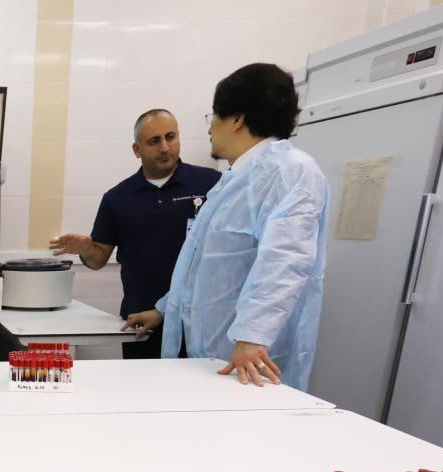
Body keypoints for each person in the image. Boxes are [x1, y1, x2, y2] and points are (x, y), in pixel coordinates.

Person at [122, 63, 329, 389]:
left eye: (213, 116)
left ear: (237, 119)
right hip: (216, 356)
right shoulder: (233, 181)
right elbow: (204, 267)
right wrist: (164, 310)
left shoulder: (289, 171)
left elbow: (286, 260)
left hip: (250, 361)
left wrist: (253, 336)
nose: (209, 128)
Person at [50, 110, 220, 358]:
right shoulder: (118, 198)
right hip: (141, 324)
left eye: (170, 137)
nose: (165, 147)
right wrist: (85, 249)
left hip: (201, 322)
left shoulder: (211, 184)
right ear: (137, 149)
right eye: (154, 141)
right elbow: (97, 260)